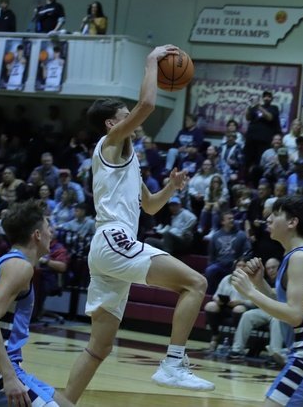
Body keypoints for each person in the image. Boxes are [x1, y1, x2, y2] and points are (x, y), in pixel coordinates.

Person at [62, 45, 214, 404]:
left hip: (107, 249)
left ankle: (63, 402)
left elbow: (150, 206)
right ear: (112, 124)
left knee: (99, 347)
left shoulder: (127, 160)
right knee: (196, 283)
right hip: (113, 240)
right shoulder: (109, 143)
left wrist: (171, 188)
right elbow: (147, 104)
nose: (134, 118)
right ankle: (173, 364)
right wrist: (150, 62)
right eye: (125, 115)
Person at [231, 195, 303, 406]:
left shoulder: (299, 259)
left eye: (276, 214)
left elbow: (294, 315)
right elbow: (285, 305)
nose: (268, 219)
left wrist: (250, 292)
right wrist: (260, 283)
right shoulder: (295, 256)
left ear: (292, 222)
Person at [0, 199, 74, 406]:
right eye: (48, 227)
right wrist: (9, 376)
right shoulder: (20, 267)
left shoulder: (2, 263)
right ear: (37, 234)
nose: (51, 232)